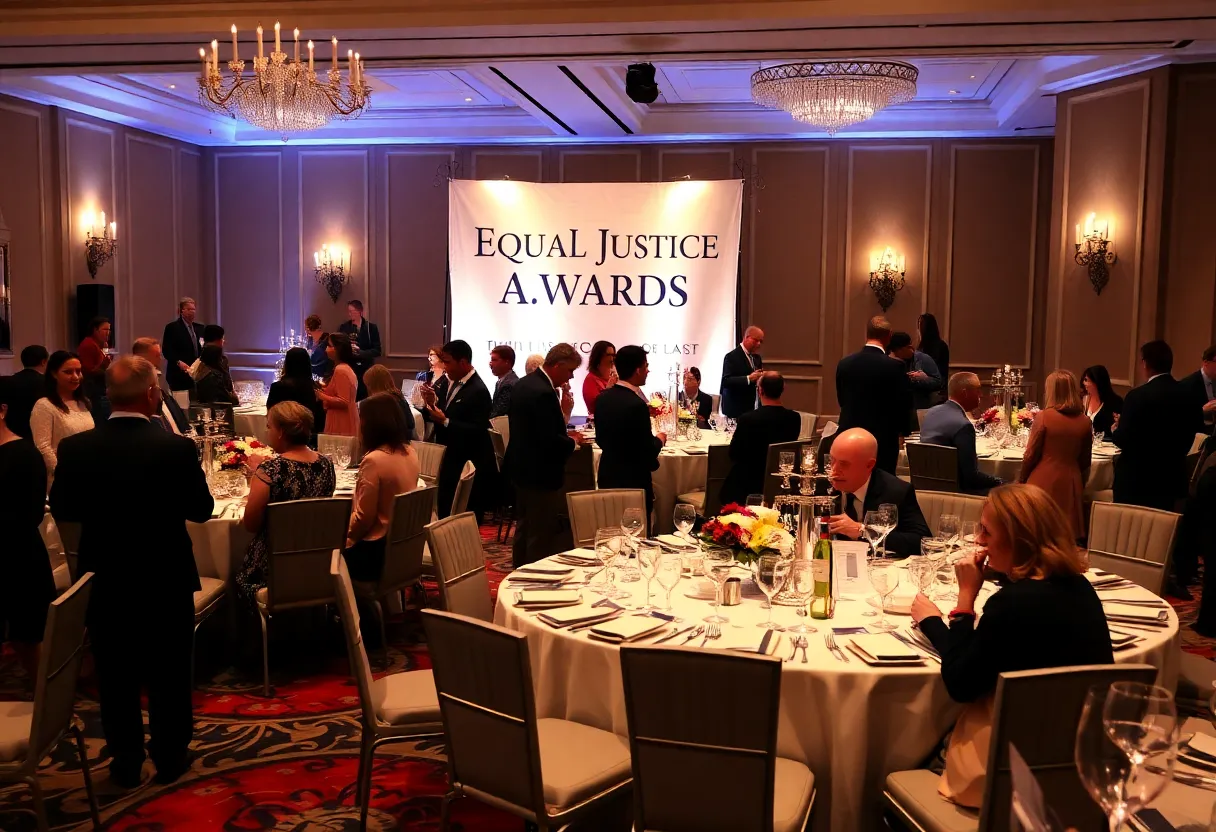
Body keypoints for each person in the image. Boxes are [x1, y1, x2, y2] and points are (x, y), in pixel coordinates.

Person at [49, 356, 214, 788]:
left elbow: (64, 510)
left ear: (108, 397)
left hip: (104, 576)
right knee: (169, 670)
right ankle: (170, 755)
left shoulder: (77, 448)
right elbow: (202, 510)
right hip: (165, 573)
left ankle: (125, 759)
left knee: (115, 671)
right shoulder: (175, 448)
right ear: (150, 395)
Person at [910, 484, 1112, 807]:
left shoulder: (1011, 606)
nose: (978, 540)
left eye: (986, 531)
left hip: (1009, 775)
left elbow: (960, 683)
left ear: (1019, 540)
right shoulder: (1081, 589)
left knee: (910, 752)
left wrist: (960, 604)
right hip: (1079, 769)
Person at [236, 401, 336, 601]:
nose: (267, 431)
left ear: (281, 432)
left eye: (269, 426)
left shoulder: (270, 471)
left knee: (238, 578)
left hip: (274, 566)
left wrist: (257, 476)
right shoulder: (326, 464)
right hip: (316, 561)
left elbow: (250, 524)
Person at [0, 375, 55, 686]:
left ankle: (50, 711)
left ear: (3, 410)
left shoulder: (24, 455)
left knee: (28, 637)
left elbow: (30, 514)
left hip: (19, 556)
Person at [506, 343, 582, 567]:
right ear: (558, 366)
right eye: (569, 371)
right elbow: (547, 439)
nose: (570, 377)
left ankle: (518, 572)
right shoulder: (543, 391)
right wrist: (572, 443)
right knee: (540, 532)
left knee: (525, 527)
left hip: (522, 468)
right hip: (539, 472)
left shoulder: (525, 383)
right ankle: (534, 581)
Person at [344, 393, 420, 586]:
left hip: (375, 551)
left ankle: (339, 611)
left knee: (321, 552)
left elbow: (363, 518)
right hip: (401, 544)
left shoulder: (374, 460)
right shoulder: (409, 451)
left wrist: (341, 536)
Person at [1111, 340, 1194, 511]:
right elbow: (1191, 432)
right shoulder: (1187, 394)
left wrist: (1116, 430)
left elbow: (1124, 439)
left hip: (1137, 483)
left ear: (1145, 363)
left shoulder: (1137, 396)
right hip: (1172, 479)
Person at [825, 427, 929, 556]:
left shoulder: (895, 491)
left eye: (844, 464)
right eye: (831, 461)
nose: (833, 471)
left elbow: (922, 542)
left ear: (869, 465)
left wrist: (863, 531)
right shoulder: (820, 486)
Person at [419, 339, 493, 518]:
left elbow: (478, 430)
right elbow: (440, 412)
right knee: (444, 510)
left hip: (465, 461)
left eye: (448, 362)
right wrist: (431, 403)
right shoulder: (448, 381)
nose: (444, 367)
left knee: (460, 516)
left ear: (463, 362)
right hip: (447, 458)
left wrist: (446, 421)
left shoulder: (479, 391)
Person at [834, 316, 914, 474]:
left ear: (867, 334)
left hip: (849, 434)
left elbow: (842, 400)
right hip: (882, 439)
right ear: (889, 335)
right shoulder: (895, 366)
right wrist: (903, 433)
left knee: (849, 481)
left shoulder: (845, 363)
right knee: (881, 486)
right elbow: (903, 404)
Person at [1017, 370, 1092, 538]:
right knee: (1064, 537)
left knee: (1038, 533)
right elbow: (1085, 461)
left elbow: (1030, 455)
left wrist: (1021, 480)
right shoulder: (1085, 422)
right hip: (1071, 482)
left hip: (1043, 480)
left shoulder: (1044, 417)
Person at [594, 345, 666, 517]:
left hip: (607, 474)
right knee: (637, 533)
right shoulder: (636, 404)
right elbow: (646, 451)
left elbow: (600, 439)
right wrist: (660, 440)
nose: (648, 371)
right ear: (638, 370)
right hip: (632, 481)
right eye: (646, 366)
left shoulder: (603, 398)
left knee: (610, 526)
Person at [719, 371, 801, 505]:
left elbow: (734, 454)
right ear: (783, 389)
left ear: (760, 390)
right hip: (779, 483)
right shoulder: (794, 418)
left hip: (747, 487)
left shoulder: (748, 419)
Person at [920, 373, 1002, 495]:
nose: (981, 395)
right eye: (978, 390)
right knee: (1008, 491)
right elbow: (971, 478)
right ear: (965, 393)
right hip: (956, 491)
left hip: (926, 486)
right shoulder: (963, 425)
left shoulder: (931, 412)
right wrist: (1000, 481)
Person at [30, 350, 94, 487]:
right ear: (54, 374)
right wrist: (63, 472)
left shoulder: (83, 402)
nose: (76, 376)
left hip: (88, 472)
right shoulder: (44, 405)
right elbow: (43, 447)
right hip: (61, 479)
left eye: (78, 371)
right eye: (68, 372)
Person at [131, 338, 190, 434]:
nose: (160, 359)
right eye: (157, 355)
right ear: (140, 359)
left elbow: (184, 426)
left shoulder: (163, 391)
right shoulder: (138, 400)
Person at [267, 346, 325, 437]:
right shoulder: (315, 388)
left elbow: (271, 414)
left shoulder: (278, 387)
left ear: (287, 364)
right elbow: (320, 418)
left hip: (284, 435)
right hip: (310, 436)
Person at [888, 330, 942, 416]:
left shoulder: (924, 359)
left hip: (918, 408)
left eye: (897, 351)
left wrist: (923, 378)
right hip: (898, 409)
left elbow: (938, 382)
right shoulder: (892, 360)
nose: (896, 354)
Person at [316, 333, 359, 436]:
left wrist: (321, 396)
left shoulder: (341, 370)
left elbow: (344, 401)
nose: (326, 349)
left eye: (329, 346)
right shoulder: (344, 368)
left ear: (337, 349)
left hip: (341, 421)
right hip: (343, 418)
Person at [338, 299, 381, 399]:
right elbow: (339, 347)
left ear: (360, 311)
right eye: (349, 311)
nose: (350, 314)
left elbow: (377, 350)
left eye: (352, 311)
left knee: (364, 399)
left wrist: (361, 353)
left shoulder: (371, 328)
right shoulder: (344, 327)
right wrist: (349, 349)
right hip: (350, 369)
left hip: (366, 370)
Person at [720, 326, 765, 418]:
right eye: (756, 340)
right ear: (747, 337)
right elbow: (726, 381)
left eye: (761, 341)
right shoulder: (731, 356)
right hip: (735, 409)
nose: (759, 344)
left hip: (753, 408)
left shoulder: (757, 358)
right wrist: (748, 378)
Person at [162, 297, 205, 392]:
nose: (192, 312)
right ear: (181, 311)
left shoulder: (200, 328)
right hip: (179, 374)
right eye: (189, 309)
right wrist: (178, 362)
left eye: (193, 309)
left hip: (197, 373)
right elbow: (167, 350)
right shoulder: (172, 327)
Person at [6, 344, 48, 440]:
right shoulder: (48, 383)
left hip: (12, 434)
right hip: (38, 433)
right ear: (43, 362)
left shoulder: (9, 381)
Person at [363, 364, 415, 440]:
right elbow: (411, 424)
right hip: (404, 442)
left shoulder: (376, 403)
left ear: (372, 385)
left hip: (387, 445)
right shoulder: (399, 397)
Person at [1178, 344, 1216, 432]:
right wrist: (1202, 410)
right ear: (1206, 362)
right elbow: (1181, 416)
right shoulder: (1187, 384)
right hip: (1195, 436)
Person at [1081, 364, 1123, 439]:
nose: (1084, 383)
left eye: (1086, 380)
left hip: (1105, 447)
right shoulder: (1082, 399)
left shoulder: (1115, 402)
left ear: (1096, 382)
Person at [77, 316, 112, 402]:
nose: (108, 333)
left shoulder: (97, 345)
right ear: (95, 330)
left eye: (109, 330)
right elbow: (88, 371)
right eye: (105, 330)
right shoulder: (89, 344)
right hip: (92, 391)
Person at [916, 312, 950, 399]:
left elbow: (940, 372)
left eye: (920, 326)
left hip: (935, 391)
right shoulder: (922, 346)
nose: (918, 330)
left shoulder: (939, 346)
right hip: (925, 388)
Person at [582, 340, 616, 417]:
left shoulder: (615, 376)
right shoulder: (590, 379)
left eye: (613, 355)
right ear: (598, 356)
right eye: (608, 355)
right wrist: (608, 390)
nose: (612, 359)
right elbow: (594, 407)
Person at [489, 344, 519, 418]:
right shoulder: (501, 382)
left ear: (507, 362)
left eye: (494, 360)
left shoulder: (510, 384)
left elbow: (499, 413)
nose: (490, 364)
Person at [304, 314, 333, 380]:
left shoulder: (326, 339)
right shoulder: (309, 340)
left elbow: (314, 360)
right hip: (312, 375)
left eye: (306, 327)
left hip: (324, 375)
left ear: (308, 329)